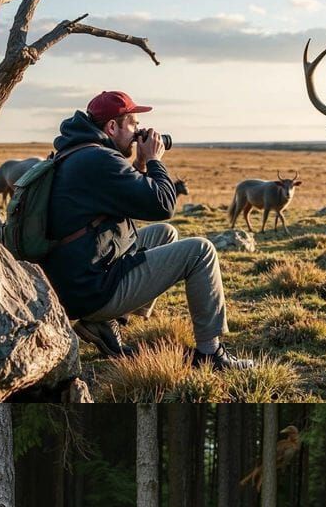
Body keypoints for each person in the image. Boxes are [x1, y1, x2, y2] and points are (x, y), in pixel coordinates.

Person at [42, 90, 251, 368]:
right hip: (89, 290)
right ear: (112, 127)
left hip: (76, 276)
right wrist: (154, 160)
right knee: (200, 251)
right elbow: (163, 204)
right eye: (134, 125)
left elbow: (129, 201)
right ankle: (210, 354)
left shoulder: (79, 152)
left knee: (165, 233)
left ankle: (111, 322)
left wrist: (139, 164)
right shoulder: (99, 160)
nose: (140, 131)